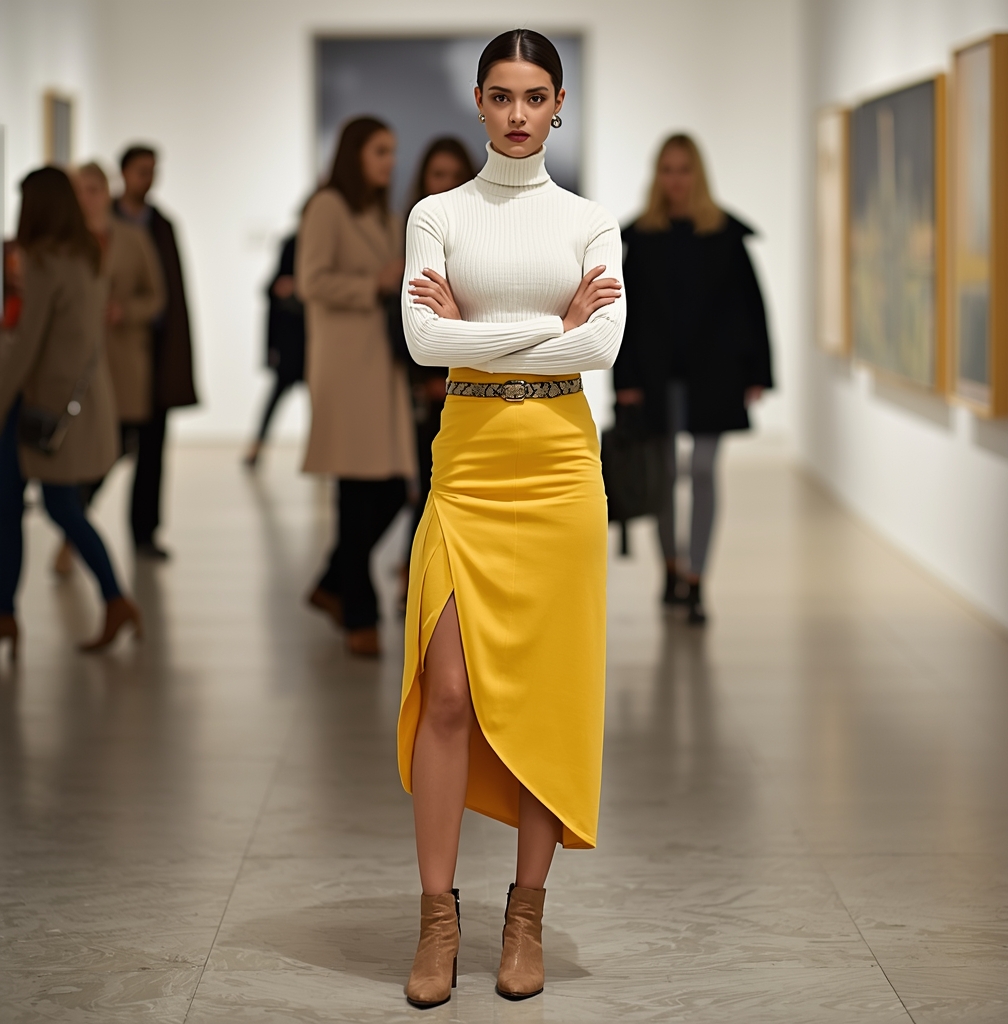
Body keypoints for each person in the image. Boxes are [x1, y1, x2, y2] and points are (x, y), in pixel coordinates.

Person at [398, 30, 624, 1008]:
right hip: (470, 468)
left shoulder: (590, 220)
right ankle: (436, 918)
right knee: (446, 693)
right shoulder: (436, 212)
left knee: (544, 695)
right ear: (481, 103)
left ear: (559, 102)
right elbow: (419, 338)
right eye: (502, 95)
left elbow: (605, 346)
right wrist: (552, 330)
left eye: (536, 95)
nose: (520, 113)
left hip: (561, 474)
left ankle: (523, 913)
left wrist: (482, 336)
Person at [614, 134, 773, 623]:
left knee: (702, 471)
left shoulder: (725, 235)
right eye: (667, 169)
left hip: (715, 375)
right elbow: (625, 314)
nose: (675, 179)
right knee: (662, 479)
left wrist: (759, 371)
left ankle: (698, 578)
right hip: (656, 378)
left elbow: (751, 308)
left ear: (697, 174)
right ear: (656, 176)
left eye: (683, 169)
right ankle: (671, 569)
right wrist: (625, 378)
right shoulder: (639, 238)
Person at [0, 167, 143, 659]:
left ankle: (11, 613)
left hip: (39, 408)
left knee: (21, 509)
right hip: (73, 405)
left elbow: (25, 347)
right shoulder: (85, 254)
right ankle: (111, 600)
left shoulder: (42, 261)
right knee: (56, 507)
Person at [297, 117, 415, 658]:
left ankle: (331, 583)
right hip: (345, 366)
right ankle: (358, 617)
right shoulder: (326, 207)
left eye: (392, 152)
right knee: (356, 489)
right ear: (354, 154)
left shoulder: (385, 216)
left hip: (381, 364)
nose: (390, 162)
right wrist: (374, 283)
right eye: (380, 152)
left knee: (390, 486)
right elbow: (311, 281)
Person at [51, 161, 166, 576]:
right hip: (74, 366)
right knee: (81, 454)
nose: (88, 198)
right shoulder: (62, 244)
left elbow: (156, 298)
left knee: (118, 447)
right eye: (80, 189)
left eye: (95, 189)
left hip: (123, 364)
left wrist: (125, 312)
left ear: (107, 192)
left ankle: (80, 530)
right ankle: (73, 531)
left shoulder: (133, 240)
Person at [114, 144, 199, 560]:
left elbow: (169, 298)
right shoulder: (106, 223)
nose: (147, 178)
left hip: (153, 358)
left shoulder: (161, 225)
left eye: (153, 170)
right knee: (107, 448)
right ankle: (72, 529)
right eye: (141, 170)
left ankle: (144, 533)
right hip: (112, 360)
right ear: (124, 173)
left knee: (151, 452)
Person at [401, 138, 476, 588]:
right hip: (426, 385)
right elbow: (416, 326)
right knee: (425, 491)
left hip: (469, 385)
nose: (445, 184)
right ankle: (419, 581)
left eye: (454, 175)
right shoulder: (414, 232)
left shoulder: (479, 234)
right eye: (437, 175)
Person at [243, 234, 305, 467]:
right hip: (291, 344)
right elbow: (273, 292)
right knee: (275, 397)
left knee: (317, 404)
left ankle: (257, 447)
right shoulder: (293, 244)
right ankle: (256, 446)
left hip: (307, 342)